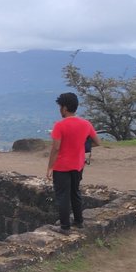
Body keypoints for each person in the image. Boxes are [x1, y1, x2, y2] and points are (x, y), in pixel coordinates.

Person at [46, 92, 100, 233]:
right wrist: (80, 146)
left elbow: (56, 148)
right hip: (78, 165)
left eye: (60, 107)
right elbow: (97, 142)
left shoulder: (59, 125)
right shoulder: (86, 124)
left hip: (62, 166)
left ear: (64, 108)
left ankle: (64, 227)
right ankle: (78, 221)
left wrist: (50, 167)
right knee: (75, 192)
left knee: (62, 196)